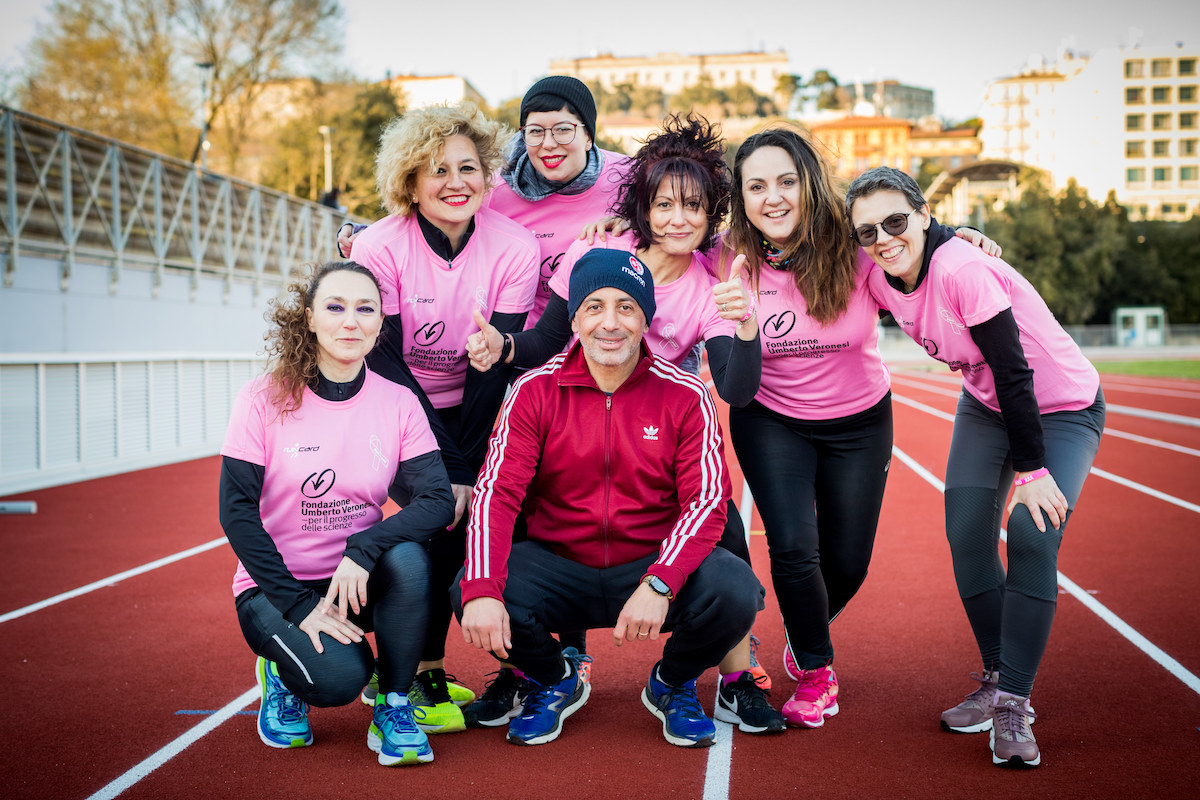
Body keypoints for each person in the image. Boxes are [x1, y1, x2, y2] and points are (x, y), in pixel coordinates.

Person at [467, 113, 782, 733]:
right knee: (526, 533)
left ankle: (727, 675)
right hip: (578, 413)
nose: (677, 219)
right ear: (643, 205)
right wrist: (503, 350)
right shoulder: (600, 248)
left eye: (694, 207)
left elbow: (738, 387)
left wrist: (745, 323)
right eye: (664, 204)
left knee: (726, 538)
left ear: (712, 212)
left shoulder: (711, 279)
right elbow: (547, 341)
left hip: (660, 427)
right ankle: (540, 669)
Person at [453, 249, 764, 748]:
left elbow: (707, 501)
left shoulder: (685, 393)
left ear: (646, 318)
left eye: (626, 306)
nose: (610, 322)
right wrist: (483, 588)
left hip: (647, 563)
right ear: (574, 317)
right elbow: (496, 492)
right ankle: (554, 679)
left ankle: (672, 682)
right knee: (469, 588)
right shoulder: (533, 389)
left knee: (735, 590)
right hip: (560, 563)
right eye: (594, 306)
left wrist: (660, 582)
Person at [846, 166, 1105, 768]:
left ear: (922, 211)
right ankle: (996, 675)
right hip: (987, 406)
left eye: (895, 221)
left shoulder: (962, 269)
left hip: (1062, 406)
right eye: (868, 231)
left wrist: (1034, 474)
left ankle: (1015, 702)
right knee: (965, 531)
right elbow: (800, 256)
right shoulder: (879, 270)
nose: (884, 238)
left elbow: (1015, 371)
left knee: (1032, 535)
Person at [349, 102, 540, 734]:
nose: (455, 181)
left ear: (489, 177)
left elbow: (493, 366)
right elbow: (390, 365)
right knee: (438, 515)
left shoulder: (514, 246)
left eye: (468, 167)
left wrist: (471, 463)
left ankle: (419, 669)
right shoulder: (378, 246)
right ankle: (412, 673)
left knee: (465, 519)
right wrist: (449, 470)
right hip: (398, 408)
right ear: (409, 181)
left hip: (481, 408)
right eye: (436, 170)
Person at [219, 261, 455, 766]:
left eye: (365, 308)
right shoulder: (261, 399)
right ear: (308, 319)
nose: (351, 321)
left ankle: (394, 705)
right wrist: (299, 607)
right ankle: (280, 674)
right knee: (340, 682)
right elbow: (236, 512)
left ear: (380, 323)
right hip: (277, 589)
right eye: (335, 307)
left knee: (411, 558)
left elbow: (436, 500)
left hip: (354, 578)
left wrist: (364, 548)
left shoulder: (399, 403)